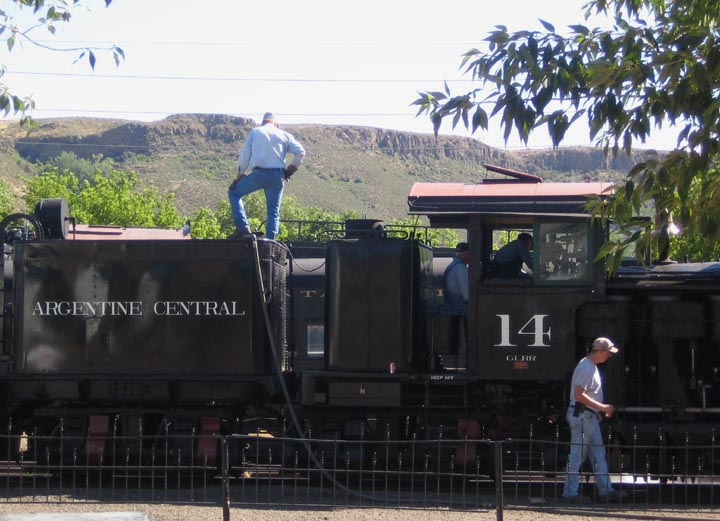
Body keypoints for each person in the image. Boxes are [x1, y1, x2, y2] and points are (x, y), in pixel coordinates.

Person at [562, 337, 628, 503]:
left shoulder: (589, 366)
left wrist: (595, 410)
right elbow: (579, 395)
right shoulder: (587, 368)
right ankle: (571, 494)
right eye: (608, 353)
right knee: (578, 455)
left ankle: (605, 490)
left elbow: (581, 395)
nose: (609, 356)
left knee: (597, 454)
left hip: (587, 416)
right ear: (599, 352)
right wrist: (603, 407)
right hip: (584, 417)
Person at [228, 112, 306, 240]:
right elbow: (301, 152)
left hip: (259, 174)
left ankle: (242, 227)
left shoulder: (256, 132)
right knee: (273, 212)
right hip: (277, 176)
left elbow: (245, 156)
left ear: (264, 121)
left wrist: (239, 176)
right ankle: (270, 242)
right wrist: (290, 170)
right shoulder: (285, 135)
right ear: (275, 123)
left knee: (234, 193)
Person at [443, 242, 470, 316]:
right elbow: (466, 295)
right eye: (468, 255)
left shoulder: (452, 266)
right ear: (466, 253)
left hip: (451, 305)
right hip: (458, 308)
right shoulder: (461, 268)